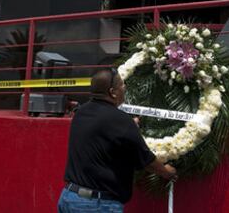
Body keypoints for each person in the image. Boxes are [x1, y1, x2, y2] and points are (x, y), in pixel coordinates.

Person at [58, 68, 177, 213]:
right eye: (121, 84)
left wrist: (128, 125)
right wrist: (166, 171)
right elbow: (146, 160)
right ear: (113, 92)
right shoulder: (120, 121)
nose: (124, 87)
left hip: (69, 198)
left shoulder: (81, 113)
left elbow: (103, 132)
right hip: (97, 205)